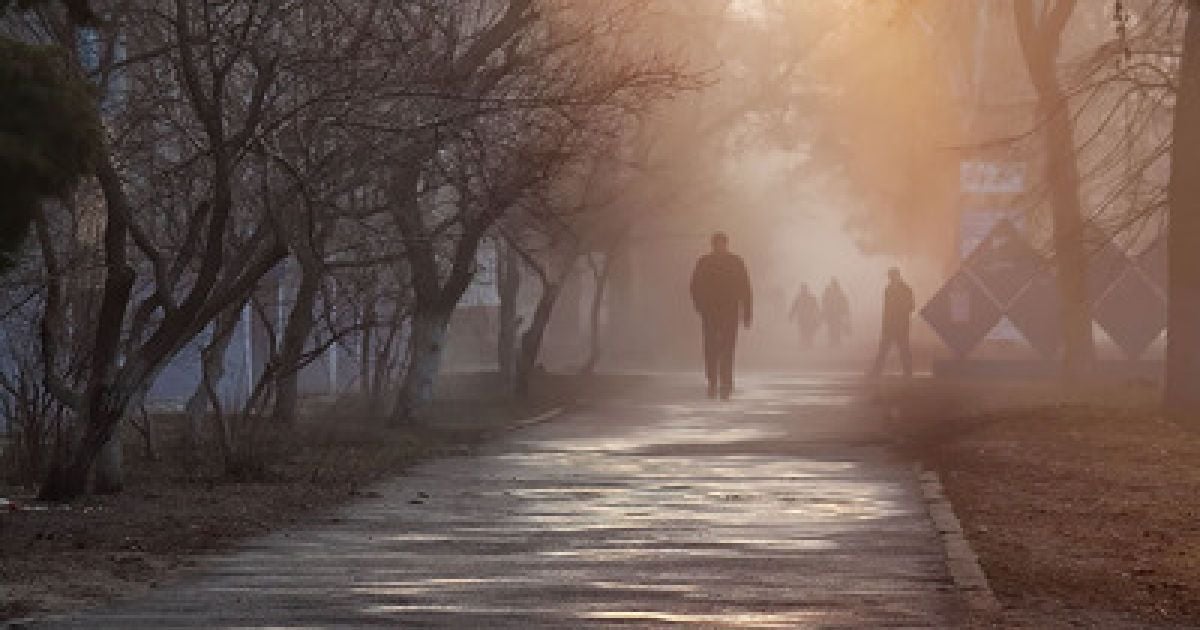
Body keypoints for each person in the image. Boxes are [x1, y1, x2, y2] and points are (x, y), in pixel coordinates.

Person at [690, 232, 753, 400]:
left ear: (726, 244)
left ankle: (726, 380)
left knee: (728, 347)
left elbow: (745, 287)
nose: (720, 247)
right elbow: (695, 286)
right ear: (713, 245)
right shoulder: (704, 262)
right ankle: (712, 379)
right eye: (717, 244)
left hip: (730, 311)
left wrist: (747, 312)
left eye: (722, 244)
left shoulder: (735, 262)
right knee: (711, 347)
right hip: (710, 312)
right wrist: (700, 305)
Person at [870, 267, 915, 378]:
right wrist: (884, 324)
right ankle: (876, 371)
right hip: (889, 325)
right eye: (889, 277)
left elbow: (911, 306)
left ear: (896, 276)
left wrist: (901, 311)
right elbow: (886, 309)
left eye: (891, 276)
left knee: (903, 349)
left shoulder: (906, 289)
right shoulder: (888, 289)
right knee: (883, 349)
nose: (889, 278)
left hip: (901, 325)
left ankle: (908, 372)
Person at [789, 283, 821, 349]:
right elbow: (794, 307)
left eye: (804, 289)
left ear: (806, 289)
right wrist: (791, 316)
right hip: (801, 318)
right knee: (802, 330)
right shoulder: (798, 298)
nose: (803, 290)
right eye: (802, 289)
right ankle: (804, 343)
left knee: (809, 330)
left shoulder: (811, 298)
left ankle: (809, 343)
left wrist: (818, 315)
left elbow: (816, 307)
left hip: (810, 318)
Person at [822, 278, 851, 347]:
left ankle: (836, 342)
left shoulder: (839, 293)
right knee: (831, 328)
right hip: (831, 314)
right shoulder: (828, 292)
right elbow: (824, 303)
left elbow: (845, 303)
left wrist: (846, 312)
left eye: (834, 284)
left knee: (836, 328)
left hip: (837, 314)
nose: (833, 285)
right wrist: (824, 312)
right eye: (832, 284)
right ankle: (833, 342)